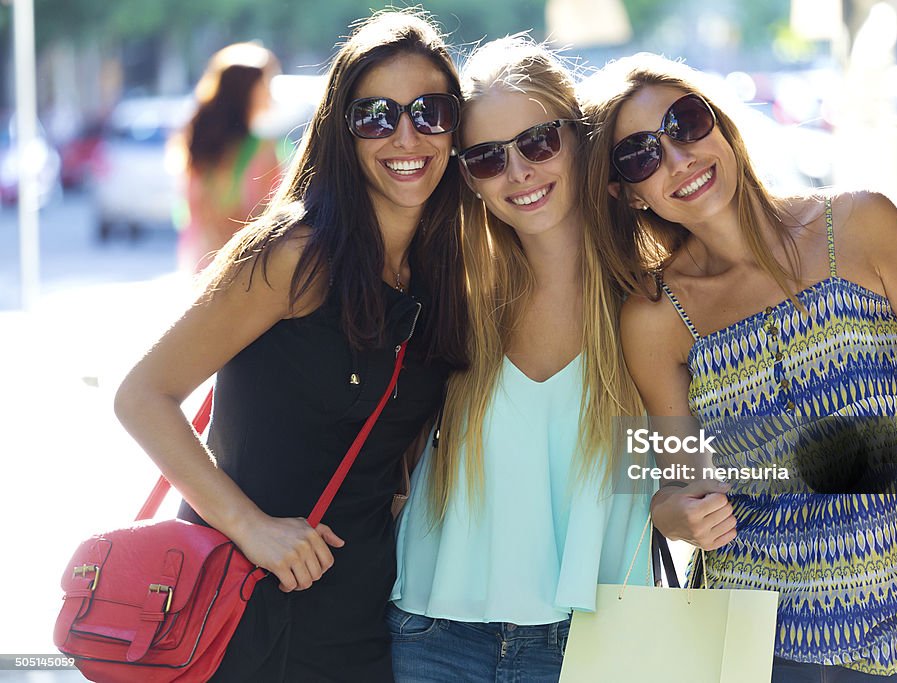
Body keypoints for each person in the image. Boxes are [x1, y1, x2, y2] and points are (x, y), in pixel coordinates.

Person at [579, 54, 897, 682]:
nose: (678, 158)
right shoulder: (655, 315)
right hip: (745, 640)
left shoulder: (860, 225)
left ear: (717, 123)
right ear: (625, 191)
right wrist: (673, 513)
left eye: (685, 123)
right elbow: (682, 482)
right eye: (641, 155)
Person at [114, 10, 468, 681]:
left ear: (456, 125)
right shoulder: (297, 255)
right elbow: (142, 394)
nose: (406, 135)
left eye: (430, 111)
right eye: (376, 116)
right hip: (236, 616)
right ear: (342, 127)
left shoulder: (444, 275)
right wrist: (251, 526)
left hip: (359, 621)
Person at [387, 37, 651, 682]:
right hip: (433, 634)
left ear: (580, 137)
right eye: (486, 159)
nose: (519, 173)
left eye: (538, 142)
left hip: (597, 640)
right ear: (468, 179)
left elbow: (700, 450)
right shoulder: (452, 297)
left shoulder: (653, 296)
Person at [173, 42, 287, 272]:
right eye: (266, 83)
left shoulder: (198, 140)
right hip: (247, 269)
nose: (270, 93)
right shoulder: (264, 149)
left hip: (203, 265)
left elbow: (191, 207)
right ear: (248, 90)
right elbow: (271, 217)